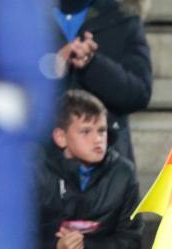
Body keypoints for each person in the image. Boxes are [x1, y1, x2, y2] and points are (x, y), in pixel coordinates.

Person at [35, 89, 141, 249]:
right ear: (61, 137)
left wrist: (87, 248)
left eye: (101, 131)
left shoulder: (123, 173)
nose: (97, 140)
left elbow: (131, 240)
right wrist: (56, 248)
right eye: (85, 132)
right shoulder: (34, 172)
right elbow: (14, 239)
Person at [50, 0, 152, 161]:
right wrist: (53, 66)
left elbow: (139, 93)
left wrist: (92, 64)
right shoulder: (18, 16)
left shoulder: (123, 17)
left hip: (108, 169)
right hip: (39, 166)